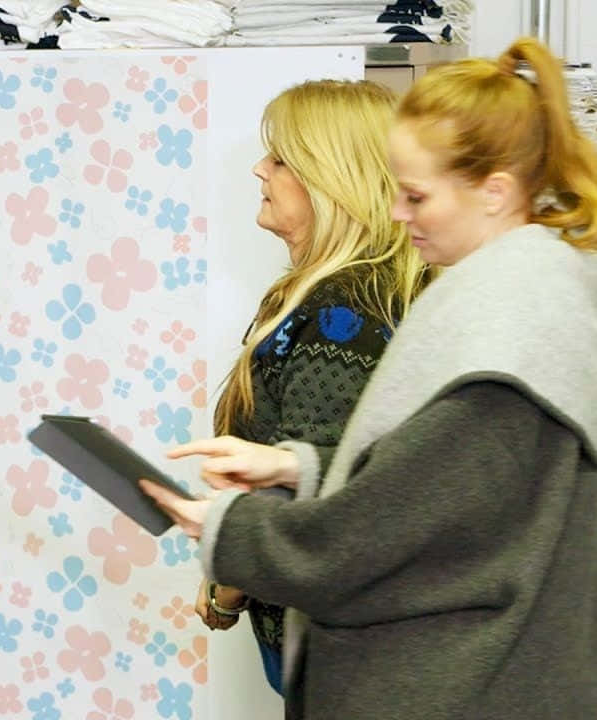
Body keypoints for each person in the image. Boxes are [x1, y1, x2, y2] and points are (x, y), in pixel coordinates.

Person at [143, 37, 597, 719]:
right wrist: (299, 468)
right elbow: (448, 493)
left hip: (463, 684)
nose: (395, 211)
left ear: (495, 192)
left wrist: (228, 533)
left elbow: (368, 539)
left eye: (415, 194)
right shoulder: (529, 296)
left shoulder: (503, 338)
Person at [190, 79, 429, 695]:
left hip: (335, 650)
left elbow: (313, 487)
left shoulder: (342, 308)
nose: (259, 169)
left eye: (280, 158)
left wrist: (228, 583)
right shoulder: (349, 293)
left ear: (331, 177)